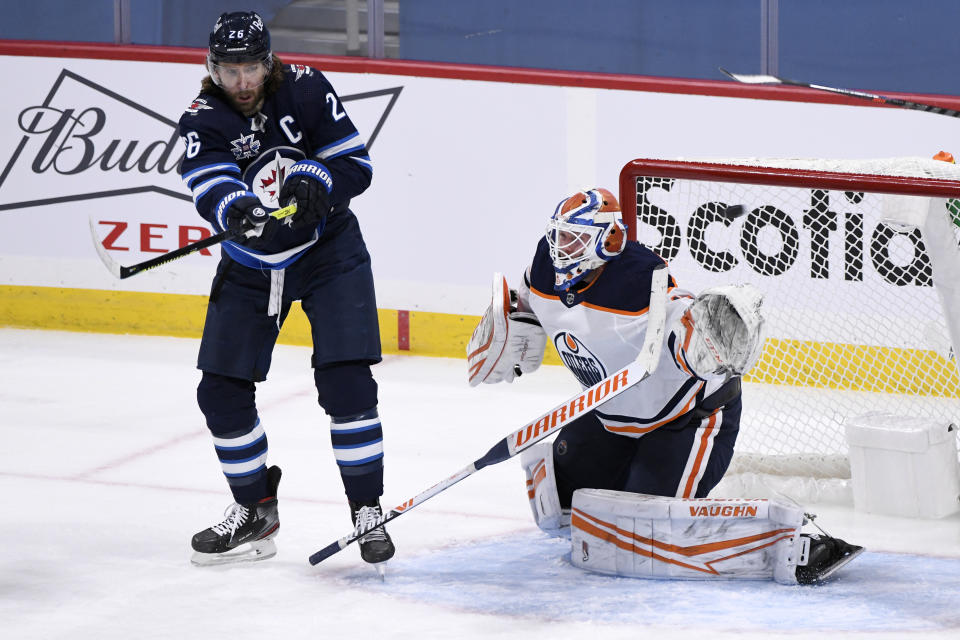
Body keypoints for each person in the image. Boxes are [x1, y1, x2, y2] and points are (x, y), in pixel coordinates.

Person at [466, 187, 862, 584]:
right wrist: (513, 322)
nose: (561, 249)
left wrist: (712, 333)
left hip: (688, 421)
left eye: (575, 239)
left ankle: (789, 540)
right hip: (611, 416)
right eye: (559, 236)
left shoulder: (641, 280)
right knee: (559, 508)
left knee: (643, 537)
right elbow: (526, 300)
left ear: (608, 240)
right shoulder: (544, 265)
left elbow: (691, 325)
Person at [177, 11, 394, 569]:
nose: (243, 81)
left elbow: (355, 163)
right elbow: (211, 184)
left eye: (251, 67)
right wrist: (241, 211)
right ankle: (254, 509)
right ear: (213, 68)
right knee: (220, 393)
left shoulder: (307, 89)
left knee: (347, 382)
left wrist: (317, 179)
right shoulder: (203, 118)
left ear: (268, 61)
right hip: (251, 265)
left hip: (329, 253)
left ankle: (367, 509)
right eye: (231, 70)